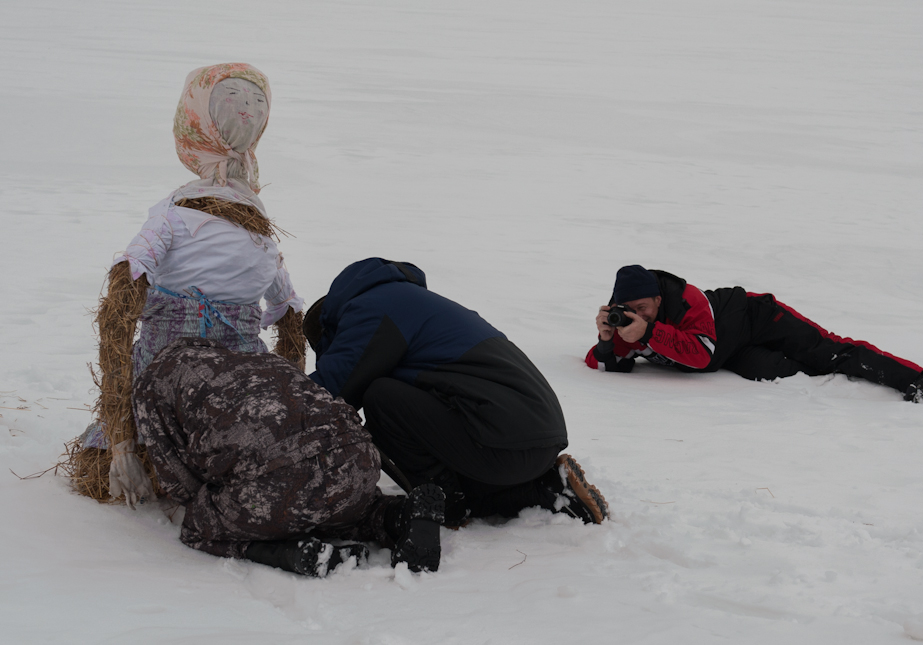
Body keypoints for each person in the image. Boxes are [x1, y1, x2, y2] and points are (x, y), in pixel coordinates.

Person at [65, 63, 306, 506]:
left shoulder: (172, 219)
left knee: (96, 470)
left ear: (193, 127)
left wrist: (121, 441)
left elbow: (120, 305)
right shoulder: (262, 239)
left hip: (160, 403)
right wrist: (291, 403)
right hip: (237, 402)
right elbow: (291, 320)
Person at [305, 258, 609, 527]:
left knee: (381, 400)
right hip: (530, 437)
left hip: (503, 439)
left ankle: (444, 503)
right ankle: (548, 490)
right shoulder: (414, 302)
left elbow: (328, 393)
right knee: (397, 411)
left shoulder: (371, 308)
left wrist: (278, 399)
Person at [132, 337, 447, 575]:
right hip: (357, 460)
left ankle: (287, 552)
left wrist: (209, 498)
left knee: (198, 526)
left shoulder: (153, 381)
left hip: (278, 481)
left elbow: (178, 481)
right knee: (355, 511)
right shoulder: (262, 360)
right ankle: (398, 514)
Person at [587, 265, 923, 404]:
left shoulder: (688, 300)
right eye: (628, 308)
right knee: (790, 372)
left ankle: (921, 382)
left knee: (828, 352)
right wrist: (606, 340)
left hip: (756, 317)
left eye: (643, 306)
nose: (637, 314)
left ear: (657, 298)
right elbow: (607, 364)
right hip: (730, 352)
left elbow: (699, 354)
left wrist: (650, 332)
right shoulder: (629, 322)